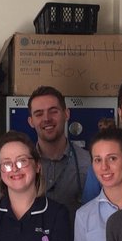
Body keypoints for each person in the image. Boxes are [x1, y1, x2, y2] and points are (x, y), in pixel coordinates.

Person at [26, 85, 91, 227]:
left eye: (53, 111)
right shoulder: (23, 165)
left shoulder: (89, 163)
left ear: (66, 114)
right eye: (39, 114)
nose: (47, 118)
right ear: (31, 121)